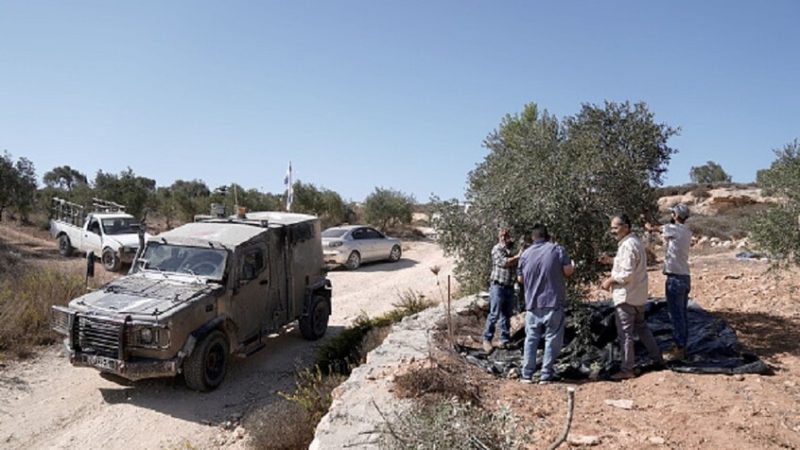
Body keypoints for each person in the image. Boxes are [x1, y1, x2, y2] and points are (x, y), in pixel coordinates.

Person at [600, 214, 663, 380]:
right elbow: (628, 264)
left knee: (625, 334)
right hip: (638, 295)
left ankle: (627, 369)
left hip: (627, 296)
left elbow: (627, 273)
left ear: (626, 227)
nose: (612, 231)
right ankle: (657, 359)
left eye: (615, 227)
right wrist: (611, 261)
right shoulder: (633, 243)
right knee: (642, 327)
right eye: (612, 227)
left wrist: (609, 281)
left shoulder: (628, 245)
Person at [517, 224, 574, 384]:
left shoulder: (525, 254)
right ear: (547, 236)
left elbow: (520, 279)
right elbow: (568, 271)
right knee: (551, 339)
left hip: (532, 304)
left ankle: (526, 375)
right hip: (553, 302)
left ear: (533, 237)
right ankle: (545, 375)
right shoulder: (557, 250)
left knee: (531, 339)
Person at [646, 203, 692, 361]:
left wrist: (647, 224)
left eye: (673, 213)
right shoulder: (686, 231)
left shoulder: (674, 229)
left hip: (675, 278)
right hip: (685, 277)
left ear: (676, 215)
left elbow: (655, 228)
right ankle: (682, 346)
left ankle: (679, 349)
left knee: (676, 316)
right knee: (682, 315)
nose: (671, 215)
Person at [482, 228, 521, 352]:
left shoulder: (510, 250)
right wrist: (519, 256)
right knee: (494, 314)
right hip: (498, 286)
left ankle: (504, 340)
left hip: (509, 287)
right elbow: (505, 263)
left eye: (506, 236)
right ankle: (487, 340)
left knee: (506, 315)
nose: (504, 238)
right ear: (499, 237)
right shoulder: (497, 249)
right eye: (502, 236)